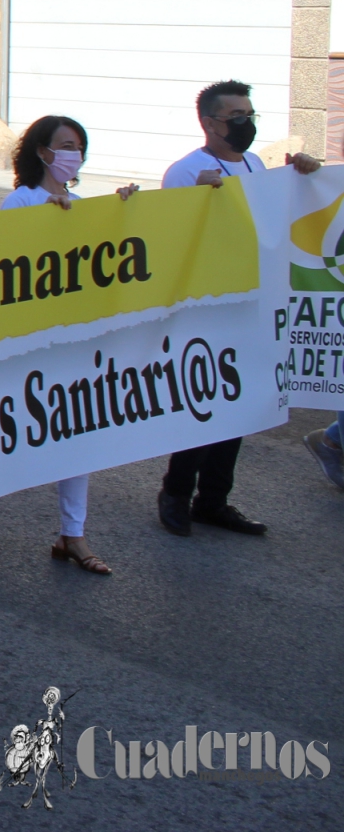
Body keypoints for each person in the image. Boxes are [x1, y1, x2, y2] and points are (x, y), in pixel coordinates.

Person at [158, 79, 320, 536]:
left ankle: (213, 499)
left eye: (250, 116)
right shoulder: (187, 171)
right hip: (205, 308)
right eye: (237, 118)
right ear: (210, 123)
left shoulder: (252, 164)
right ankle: (175, 492)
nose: (246, 124)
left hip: (249, 305)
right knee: (203, 406)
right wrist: (196, 200)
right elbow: (168, 237)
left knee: (238, 404)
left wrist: (306, 175)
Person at [0, 115, 141, 575]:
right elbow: (1, 264)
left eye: (79, 145)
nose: (73, 153)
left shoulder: (81, 204)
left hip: (74, 342)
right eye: (65, 144)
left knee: (77, 436)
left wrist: (122, 212)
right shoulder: (20, 201)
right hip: (28, 342)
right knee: (6, 431)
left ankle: (72, 534)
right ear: (42, 151)